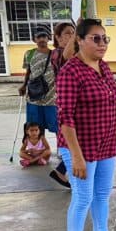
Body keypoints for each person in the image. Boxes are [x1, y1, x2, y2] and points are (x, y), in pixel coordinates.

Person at [56, 19, 116, 231]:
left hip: (106, 142)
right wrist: (75, 156)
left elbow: (112, 107)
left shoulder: (104, 68)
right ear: (80, 40)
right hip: (80, 146)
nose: (102, 44)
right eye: (95, 39)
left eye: (105, 38)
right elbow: (65, 117)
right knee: (83, 197)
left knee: (102, 195)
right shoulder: (70, 72)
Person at [47, 22, 76, 189]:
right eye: (67, 33)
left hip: (75, 103)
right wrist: (78, 32)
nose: (71, 36)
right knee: (72, 142)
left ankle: (61, 170)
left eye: (73, 32)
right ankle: (62, 171)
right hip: (67, 104)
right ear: (57, 37)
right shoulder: (57, 54)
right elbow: (67, 55)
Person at [18, 30, 58, 137]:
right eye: (38, 37)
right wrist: (24, 85)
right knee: (35, 126)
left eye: (44, 36)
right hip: (34, 95)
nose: (41, 39)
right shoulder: (29, 54)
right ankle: (39, 148)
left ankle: (61, 149)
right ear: (34, 39)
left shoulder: (55, 54)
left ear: (48, 38)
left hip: (51, 95)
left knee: (57, 125)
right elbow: (28, 71)